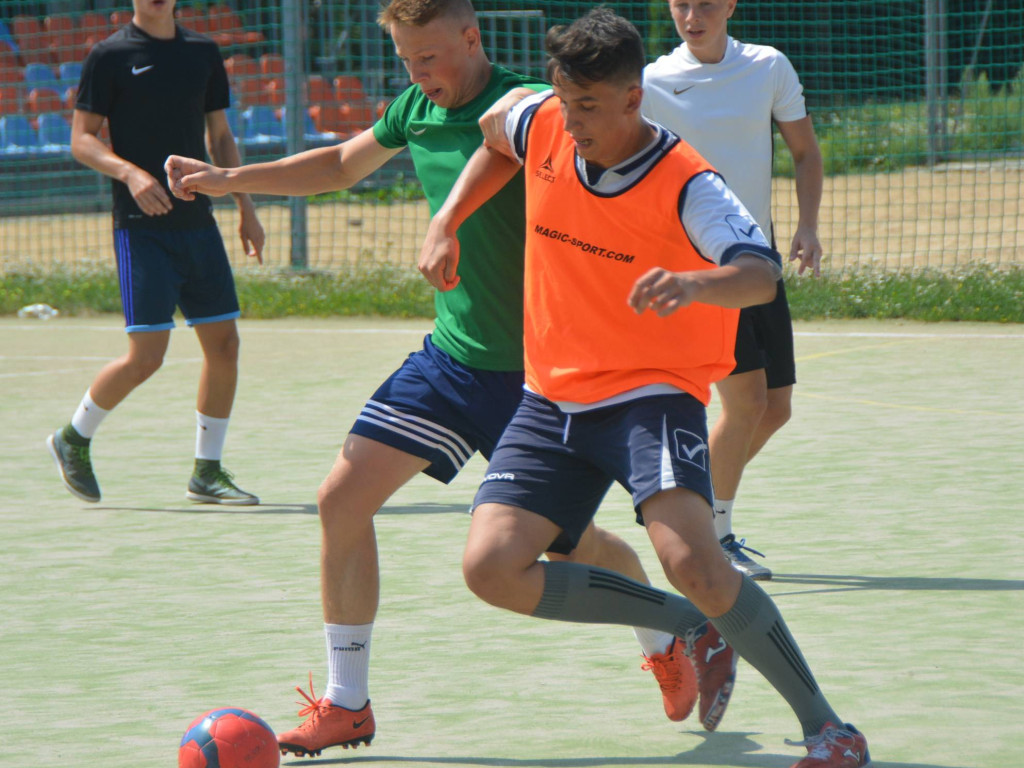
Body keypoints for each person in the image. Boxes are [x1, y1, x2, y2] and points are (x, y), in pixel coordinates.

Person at [165, 0, 707, 755]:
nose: (416, 74)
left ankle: (662, 632)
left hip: (543, 377)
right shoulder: (415, 109)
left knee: (574, 549)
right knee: (340, 498)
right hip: (453, 360)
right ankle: (347, 702)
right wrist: (228, 178)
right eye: (405, 60)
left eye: (428, 58)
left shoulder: (531, 108)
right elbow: (339, 165)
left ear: (472, 37)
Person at [421, 9, 868, 767]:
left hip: (649, 394)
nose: (572, 120)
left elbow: (760, 275)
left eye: (589, 106)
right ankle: (691, 626)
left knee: (694, 560)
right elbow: (500, 138)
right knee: (490, 568)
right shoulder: (545, 122)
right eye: (565, 101)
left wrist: (697, 282)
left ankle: (828, 726)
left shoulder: (688, 181)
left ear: (634, 99)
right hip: (552, 394)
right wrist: (448, 219)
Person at [46, 0, 264, 506]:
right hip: (141, 228)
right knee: (147, 355)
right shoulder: (109, 55)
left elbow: (221, 136)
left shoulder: (203, 52)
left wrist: (244, 206)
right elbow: (82, 139)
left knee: (224, 345)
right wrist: (130, 173)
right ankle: (72, 438)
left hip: (198, 224)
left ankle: (206, 473)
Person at [641, 0, 826, 580]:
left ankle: (688, 510)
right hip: (702, 270)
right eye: (679, 4)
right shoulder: (651, 82)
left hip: (760, 261)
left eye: (703, 4)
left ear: (729, 6)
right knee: (744, 403)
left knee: (776, 407)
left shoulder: (768, 66)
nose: (691, 15)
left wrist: (808, 226)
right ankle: (711, 537)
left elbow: (804, 151)